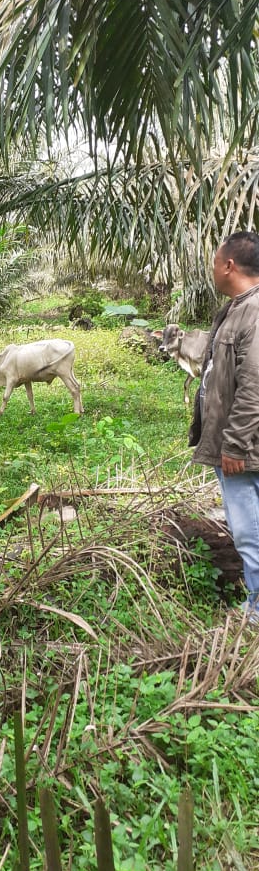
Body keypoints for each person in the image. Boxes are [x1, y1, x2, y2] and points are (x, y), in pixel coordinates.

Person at [189, 230, 259, 623]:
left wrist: (233, 444)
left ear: (229, 265)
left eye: (215, 262)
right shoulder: (238, 308)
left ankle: (257, 609)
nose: (213, 270)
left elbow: (254, 384)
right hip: (244, 446)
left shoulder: (254, 310)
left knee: (250, 533)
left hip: (245, 451)